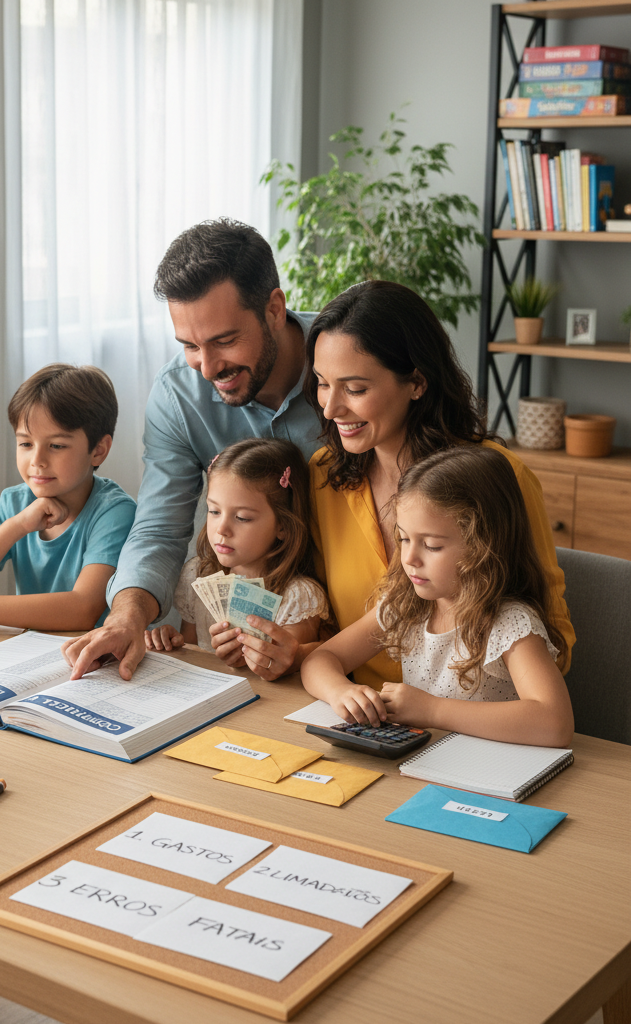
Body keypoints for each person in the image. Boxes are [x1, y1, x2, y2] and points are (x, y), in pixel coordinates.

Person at [63, 219, 321, 680]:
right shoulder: (178, 396)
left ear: (275, 309)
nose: (207, 367)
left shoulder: (346, 361)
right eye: (189, 346)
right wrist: (126, 618)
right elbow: (159, 530)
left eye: (224, 341)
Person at [305, 280, 574, 690]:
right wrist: (298, 649)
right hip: (365, 713)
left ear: (416, 381)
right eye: (323, 383)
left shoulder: (498, 477)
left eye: (355, 388)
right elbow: (329, 625)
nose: (330, 407)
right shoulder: (324, 475)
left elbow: (554, 634)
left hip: (474, 726)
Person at [301, 447, 574, 747]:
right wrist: (340, 691)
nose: (409, 558)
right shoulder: (407, 606)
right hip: (426, 765)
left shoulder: (509, 623)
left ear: (483, 546)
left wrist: (432, 710)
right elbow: (320, 660)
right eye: (403, 539)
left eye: (431, 545)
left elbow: (555, 723)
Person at [0, 363, 136, 631]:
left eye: (56, 446)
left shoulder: (115, 512)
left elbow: (83, 609)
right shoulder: (16, 503)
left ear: (98, 450)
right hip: (29, 654)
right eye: (26, 444)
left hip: (95, 661)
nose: (37, 461)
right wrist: (18, 525)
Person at [144, 438, 330, 678]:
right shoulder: (197, 575)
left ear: (283, 526)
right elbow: (193, 653)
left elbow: (288, 674)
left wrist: (248, 661)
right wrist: (174, 643)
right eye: (214, 511)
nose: (221, 529)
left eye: (242, 517)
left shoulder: (298, 598)